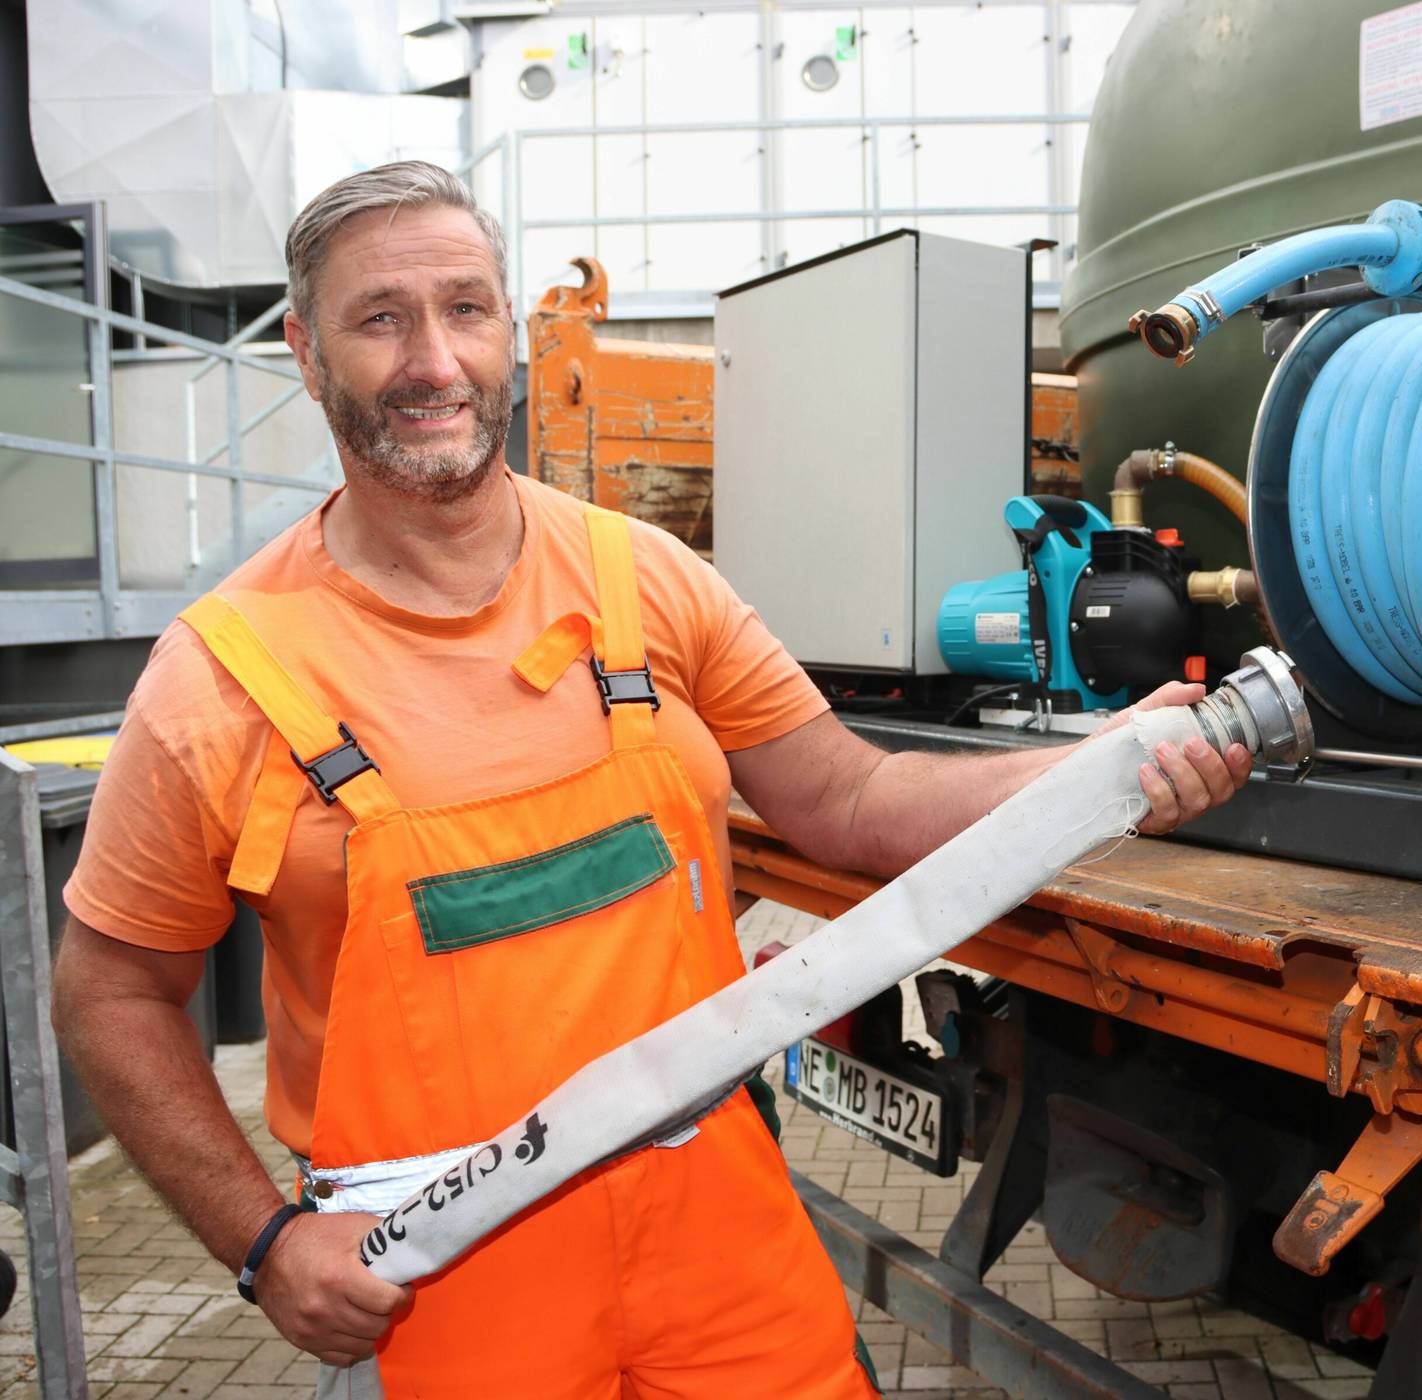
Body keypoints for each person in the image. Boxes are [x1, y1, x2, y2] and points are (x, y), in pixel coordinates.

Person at [48, 161, 1249, 1398]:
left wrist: (1089, 771)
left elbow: (848, 800)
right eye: (380, 318)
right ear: (305, 350)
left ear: (507, 325)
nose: (434, 362)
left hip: (716, 1229)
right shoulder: (221, 678)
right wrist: (261, 1239)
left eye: (465, 308)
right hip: (438, 1285)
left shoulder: (646, 581)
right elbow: (110, 989)